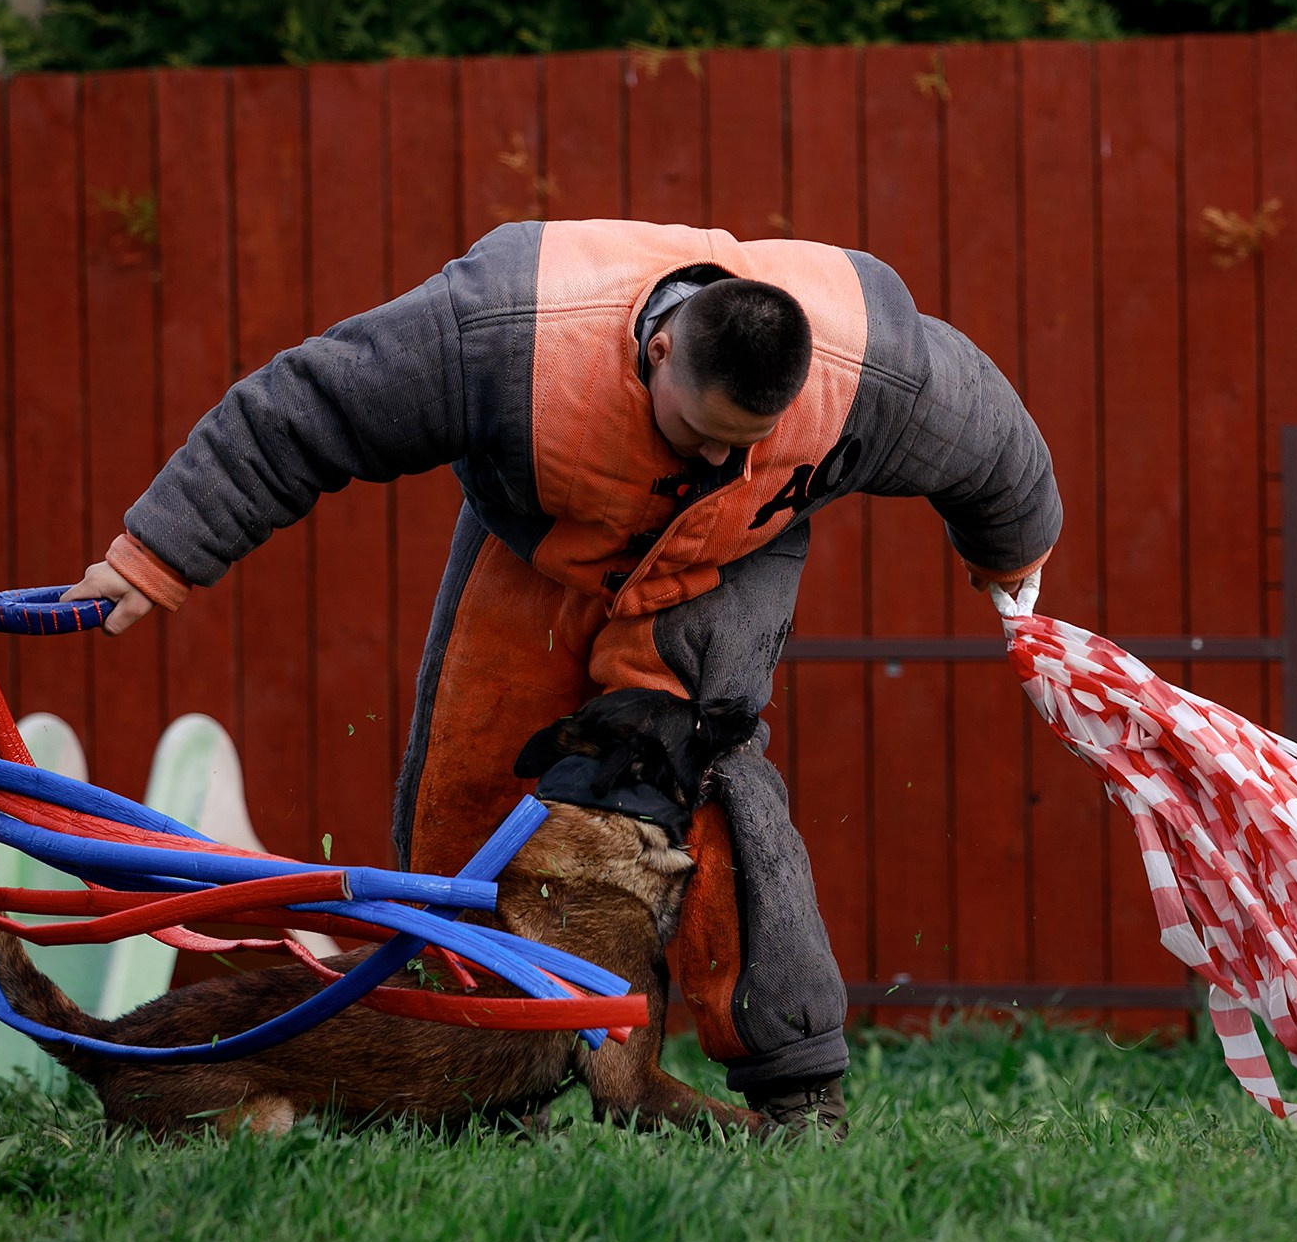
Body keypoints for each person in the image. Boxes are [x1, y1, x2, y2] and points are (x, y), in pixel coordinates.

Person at [63, 218, 1061, 1134]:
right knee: (473, 783)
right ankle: (467, 1080)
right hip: (539, 540)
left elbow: (996, 449)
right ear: (658, 351)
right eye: (700, 429)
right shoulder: (499, 334)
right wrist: (158, 556)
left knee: (704, 788)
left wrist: (1012, 555)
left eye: (745, 443)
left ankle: (798, 1094)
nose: (718, 455)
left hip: (724, 564)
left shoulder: (871, 372)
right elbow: (301, 408)